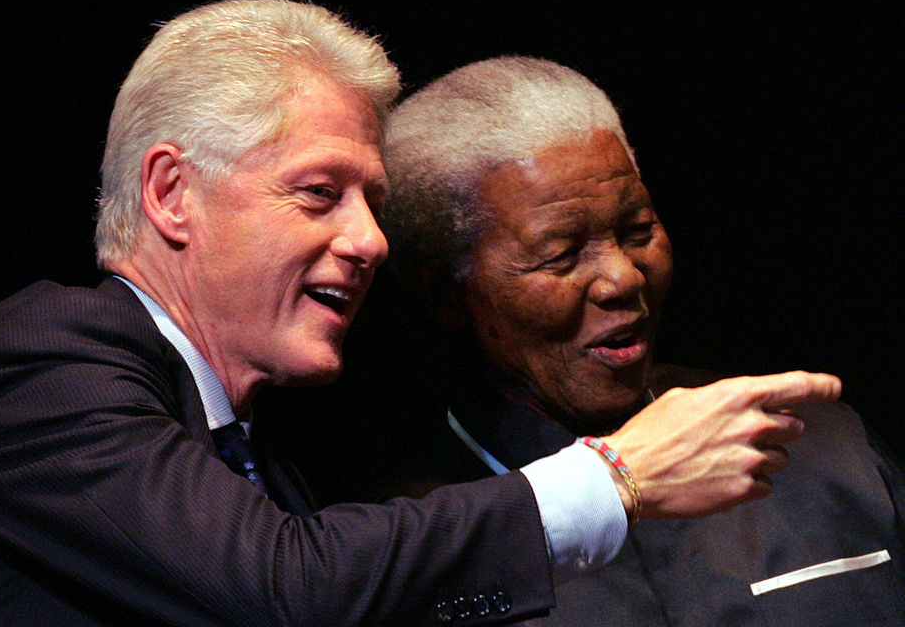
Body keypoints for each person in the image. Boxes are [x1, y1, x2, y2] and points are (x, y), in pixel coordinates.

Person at [0, 0, 840, 627]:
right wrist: (615, 477)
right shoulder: (39, 363)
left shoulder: (254, 460)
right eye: (319, 193)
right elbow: (288, 590)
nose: (371, 240)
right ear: (171, 193)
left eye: (373, 201)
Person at [360, 56, 905, 625]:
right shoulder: (406, 551)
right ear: (446, 294)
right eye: (561, 255)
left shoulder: (812, 443)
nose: (625, 277)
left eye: (638, 230)